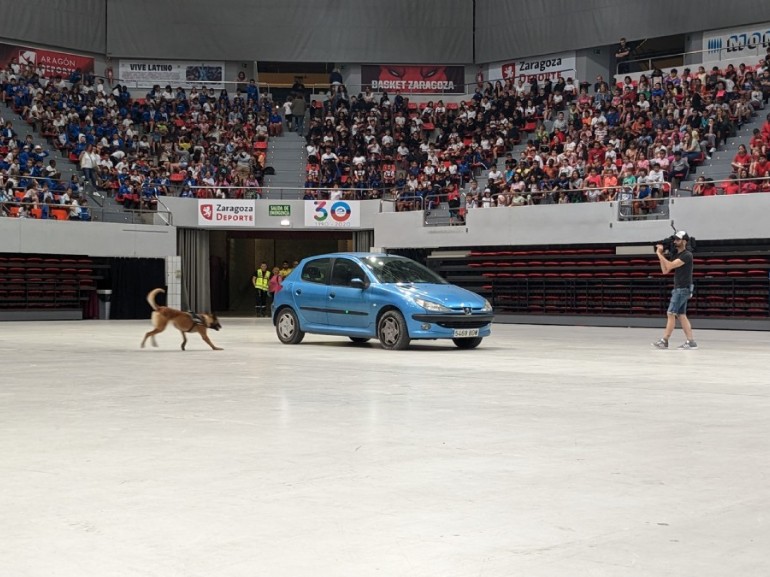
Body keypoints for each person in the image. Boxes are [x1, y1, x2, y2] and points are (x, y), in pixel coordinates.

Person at [652, 231, 697, 350]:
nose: (675, 241)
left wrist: (659, 254)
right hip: (681, 288)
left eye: (678, 239)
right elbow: (665, 270)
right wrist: (661, 255)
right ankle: (691, 342)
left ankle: (664, 340)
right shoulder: (677, 255)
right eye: (675, 239)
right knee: (681, 315)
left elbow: (671, 266)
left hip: (682, 289)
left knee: (670, 313)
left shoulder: (687, 255)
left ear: (684, 241)